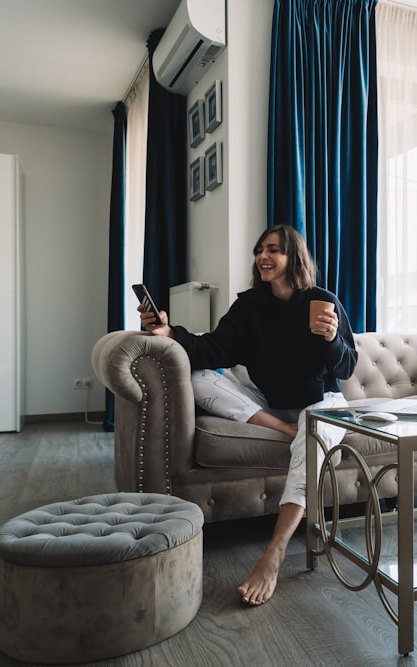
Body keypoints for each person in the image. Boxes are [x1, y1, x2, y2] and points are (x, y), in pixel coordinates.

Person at [139, 224, 357, 606]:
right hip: (270, 402)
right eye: (259, 250)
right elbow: (212, 351)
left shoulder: (322, 300)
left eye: (274, 249)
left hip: (322, 401)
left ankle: (273, 554)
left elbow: (347, 368)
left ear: (294, 257)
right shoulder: (249, 305)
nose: (263, 257)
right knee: (200, 378)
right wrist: (170, 332)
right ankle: (286, 429)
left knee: (315, 427)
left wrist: (332, 339)